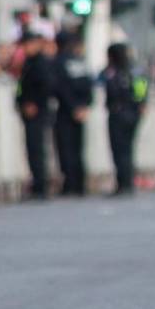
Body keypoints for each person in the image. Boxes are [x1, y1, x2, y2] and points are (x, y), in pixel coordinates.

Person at [16, 24, 57, 200]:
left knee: (37, 148)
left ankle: (41, 185)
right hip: (30, 110)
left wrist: (34, 104)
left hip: (38, 111)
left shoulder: (41, 63)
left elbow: (45, 87)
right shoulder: (30, 62)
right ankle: (38, 183)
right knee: (33, 148)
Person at [52, 30, 92, 196]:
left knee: (66, 149)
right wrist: (84, 106)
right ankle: (80, 183)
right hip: (80, 111)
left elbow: (60, 88)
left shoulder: (59, 62)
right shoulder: (80, 62)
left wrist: (73, 107)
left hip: (66, 111)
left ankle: (70, 183)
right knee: (79, 148)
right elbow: (88, 85)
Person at [101, 42, 144, 196]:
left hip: (119, 114)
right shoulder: (135, 72)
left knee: (120, 150)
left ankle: (124, 183)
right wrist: (139, 105)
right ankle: (127, 182)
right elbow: (141, 92)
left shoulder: (113, 73)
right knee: (128, 149)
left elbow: (110, 92)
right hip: (132, 114)